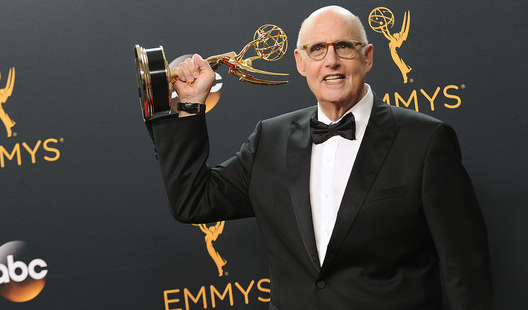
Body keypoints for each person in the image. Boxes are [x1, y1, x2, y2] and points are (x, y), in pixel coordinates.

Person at [147, 5, 494, 310]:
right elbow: (192, 202)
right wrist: (190, 107)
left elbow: (465, 270)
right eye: (317, 49)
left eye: (344, 46)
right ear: (300, 62)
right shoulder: (270, 138)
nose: (331, 60)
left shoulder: (426, 140)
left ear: (368, 56)